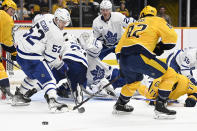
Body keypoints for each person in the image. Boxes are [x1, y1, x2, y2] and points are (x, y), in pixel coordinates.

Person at [114, 5, 178, 119]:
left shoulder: (132, 24)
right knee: (170, 75)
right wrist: (160, 47)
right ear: (154, 14)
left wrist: (122, 67)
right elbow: (172, 38)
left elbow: (118, 48)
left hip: (123, 58)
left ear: (142, 14)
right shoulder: (157, 20)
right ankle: (160, 106)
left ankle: (120, 104)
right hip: (140, 57)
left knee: (134, 81)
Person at [12, 8, 71, 113]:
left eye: (65, 23)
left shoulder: (47, 16)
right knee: (50, 79)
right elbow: (49, 58)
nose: (63, 25)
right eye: (62, 22)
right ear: (57, 19)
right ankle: (52, 102)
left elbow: (35, 20)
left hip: (20, 52)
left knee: (32, 76)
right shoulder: (57, 36)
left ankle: (18, 96)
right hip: (32, 57)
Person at [78, 32, 126, 97]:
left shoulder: (92, 53)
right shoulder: (78, 60)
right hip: (97, 84)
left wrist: (117, 48)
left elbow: (110, 50)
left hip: (111, 74)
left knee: (133, 80)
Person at [0, 0, 17, 101]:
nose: (12, 14)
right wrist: (14, 52)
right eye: (11, 10)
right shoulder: (6, 18)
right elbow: (6, 42)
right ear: (5, 7)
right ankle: (6, 89)